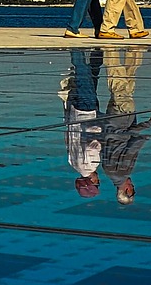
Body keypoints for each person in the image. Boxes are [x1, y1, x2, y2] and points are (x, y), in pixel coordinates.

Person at [101, 46, 151, 204]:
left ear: (127, 190)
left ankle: (110, 49)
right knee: (127, 83)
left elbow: (130, 143)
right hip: (113, 118)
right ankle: (133, 51)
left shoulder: (122, 172)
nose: (132, 184)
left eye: (132, 188)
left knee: (118, 84)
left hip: (122, 117)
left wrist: (148, 124)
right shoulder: (107, 171)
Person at [64, 48, 104, 196]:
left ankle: (76, 49)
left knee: (83, 76)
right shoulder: (74, 165)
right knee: (84, 80)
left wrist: (103, 137)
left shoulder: (90, 166)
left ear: (91, 182)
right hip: (75, 116)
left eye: (97, 182)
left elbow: (93, 146)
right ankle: (92, 52)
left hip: (87, 115)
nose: (98, 179)